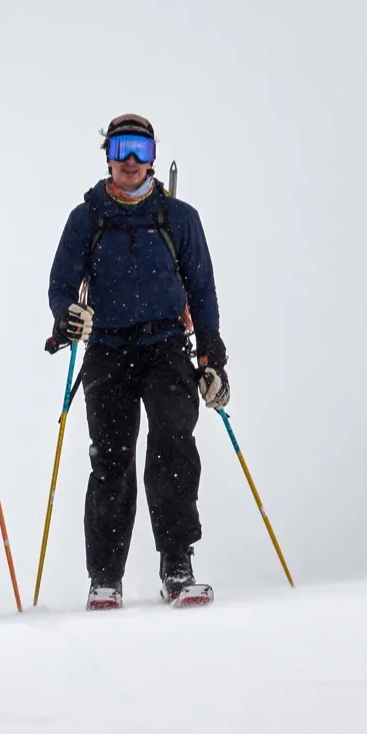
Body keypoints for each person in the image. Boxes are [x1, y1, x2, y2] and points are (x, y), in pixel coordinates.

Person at [45, 113, 230, 610]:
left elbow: (202, 289)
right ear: (106, 154)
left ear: (153, 157)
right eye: (122, 148)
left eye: (141, 151)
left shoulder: (179, 217)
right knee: (110, 458)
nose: (131, 161)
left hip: (167, 347)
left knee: (173, 447)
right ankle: (105, 576)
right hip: (106, 350)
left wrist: (211, 352)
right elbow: (61, 285)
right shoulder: (86, 218)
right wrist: (68, 318)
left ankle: (177, 564)